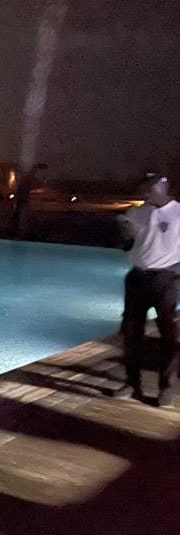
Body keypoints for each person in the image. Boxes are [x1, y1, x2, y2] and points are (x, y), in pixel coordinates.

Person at [113, 172, 180, 405]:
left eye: (149, 189)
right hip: (137, 278)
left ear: (163, 188)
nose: (145, 194)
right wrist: (125, 231)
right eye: (144, 189)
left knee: (168, 335)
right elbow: (127, 246)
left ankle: (166, 387)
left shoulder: (178, 213)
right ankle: (132, 383)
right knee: (132, 333)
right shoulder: (137, 212)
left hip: (165, 279)